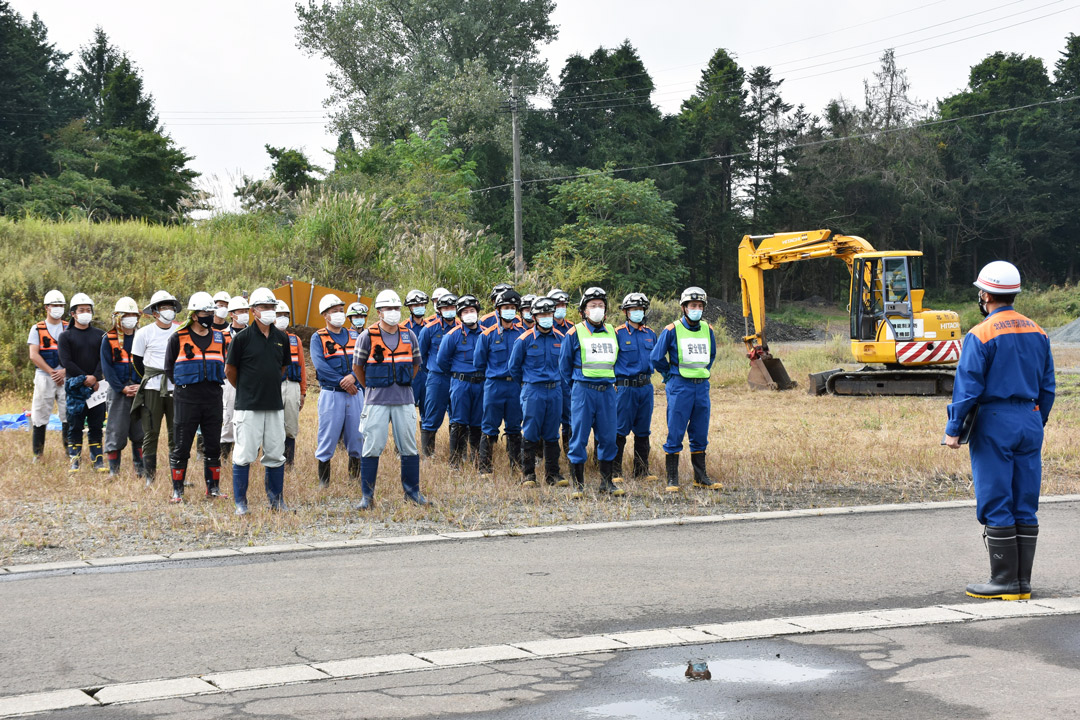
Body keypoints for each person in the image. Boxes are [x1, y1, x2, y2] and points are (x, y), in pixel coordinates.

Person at [944, 261, 1055, 601]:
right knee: (1025, 499)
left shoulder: (981, 334)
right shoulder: (1039, 331)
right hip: (1030, 419)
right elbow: (1048, 386)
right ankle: (1021, 583)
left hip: (994, 420)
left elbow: (968, 388)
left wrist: (954, 429)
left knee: (996, 498)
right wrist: (1037, 420)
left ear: (985, 295)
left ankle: (1004, 581)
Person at [352, 289, 427, 507]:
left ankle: (412, 492)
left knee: (409, 446)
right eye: (388, 308)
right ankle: (367, 497)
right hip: (376, 400)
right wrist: (371, 387)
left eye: (396, 308)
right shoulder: (367, 336)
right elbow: (357, 368)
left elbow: (415, 365)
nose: (393, 312)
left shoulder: (409, 335)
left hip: (404, 399)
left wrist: (401, 384)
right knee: (372, 446)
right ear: (379, 312)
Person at [225, 287, 291, 514]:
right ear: (254, 311)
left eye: (273, 307)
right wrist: (247, 389)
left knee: (275, 454)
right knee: (244, 455)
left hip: (274, 405)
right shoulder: (241, 339)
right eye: (264, 307)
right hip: (248, 406)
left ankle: (276, 501)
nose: (270, 311)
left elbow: (282, 367)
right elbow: (230, 370)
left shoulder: (282, 338)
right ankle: (241, 504)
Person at [650, 287, 721, 492]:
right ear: (684, 308)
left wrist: (702, 371)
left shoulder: (708, 329)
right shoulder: (671, 330)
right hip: (680, 385)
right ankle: (672, 479)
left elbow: (711, 355)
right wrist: (669, 374)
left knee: (700, 431)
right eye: (692, 306)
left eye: (700, 306)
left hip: (701, 387)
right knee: (676, 430)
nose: (696, 309)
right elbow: (656, 357)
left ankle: (701, 478)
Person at [558, 287, 624, 498]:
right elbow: (564, 367)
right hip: (583, 391)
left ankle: (607, 482)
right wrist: (577, 386)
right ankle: (578, 484)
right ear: (583, 310)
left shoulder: (613, 331)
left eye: (601, 306)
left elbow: (617, 360)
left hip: (607, 392)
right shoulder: (574, 333)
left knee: (608, 437)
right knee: (579, 437)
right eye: (592, 305)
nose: (597, 309)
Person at [164, 292, 227, 502]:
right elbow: (169, 368)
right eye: (205, 312)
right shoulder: (178, 337)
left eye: (211, 312)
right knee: (181, 446)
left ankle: (213, 489)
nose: (209, 315)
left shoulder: (219, 337)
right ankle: (177, 491)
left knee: (213, 446)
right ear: (194, 314)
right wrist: (183, 386)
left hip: (213, 398)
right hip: (186, 399)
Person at [508, 296, 565, 487]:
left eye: (549, 313)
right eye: (542, 314)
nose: (546, 317)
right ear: (534, 316)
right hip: (533, 391)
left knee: (552, 433)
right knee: (531, 432)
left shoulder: (561, 339)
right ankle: (529, 474)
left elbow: (565, 366)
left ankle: (553, 474)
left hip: (555, 391)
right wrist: (528, 384)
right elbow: (514, 367)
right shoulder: (523, 340)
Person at [310, 293, 363, 488]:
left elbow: (363, 361)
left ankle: (354, 478)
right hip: (331, 393)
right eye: (334, 311)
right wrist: (342, 380)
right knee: (328, 436)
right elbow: (320, 365)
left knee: (357, 435)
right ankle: (324, 481)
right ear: (325, 315)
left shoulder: (356, 336)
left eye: (341, 311)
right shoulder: (318, 337)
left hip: (356, 393)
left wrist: (354, 377)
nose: (339, 314)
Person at [474, 289, 526, 477]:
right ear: (498, 309)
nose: (509, 311)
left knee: (514, 427)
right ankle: (485, 468)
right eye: (505, 307)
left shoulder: (523, 334)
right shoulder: (486, 335)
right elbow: (479, 363)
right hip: (494, 385)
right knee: (489, 426)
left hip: (515, 386)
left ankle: (517, 467)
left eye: (513, 308)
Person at [131, 290, 181, 484]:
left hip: (175, 387)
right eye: (163, 307)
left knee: (176, 431)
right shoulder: (144, 333)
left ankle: (177, 474)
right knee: (151, 431)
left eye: (170, 307)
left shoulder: (179, 331)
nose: (168, 311)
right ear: (154, 312)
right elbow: (136, 361)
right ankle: (149, 476)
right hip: (152, 387)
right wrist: (148, 379)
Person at [58, 293, 107, 472]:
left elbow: (104, 359)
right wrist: (85, 378)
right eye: (81, 310)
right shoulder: (66, 336)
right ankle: (74, 461)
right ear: (73, 313)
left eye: (88, 310)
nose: (86, 313)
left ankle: (98, 460)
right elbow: (66, 362)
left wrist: (95, 376)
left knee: (96, 423)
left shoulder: (101, 335)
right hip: (75, 388)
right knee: (75, 424)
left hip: (97, 387)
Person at [613, 293, 658, 483]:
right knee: (619, 429)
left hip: (646, 387)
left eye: (640, 309)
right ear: (625, 312)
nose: (637, 313)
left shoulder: (650, 334)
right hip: (625, 388)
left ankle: (641, 471)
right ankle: (615, 472)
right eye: (633, 309)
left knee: (643, 430)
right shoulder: (616, 334)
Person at [437, 294, 485, 467]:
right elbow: (442, 361)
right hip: (461, 384)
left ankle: (477, 459)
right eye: (465, 311)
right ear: (460, 315)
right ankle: (455, 461)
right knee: (459, 422)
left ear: (477, 312)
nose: (469, 314)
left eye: (472, 310)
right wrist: (458, 375)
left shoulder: (486, 334)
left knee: (478, 423)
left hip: (481, 384)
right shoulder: (452, 335)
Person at [99, 297, 145, 476]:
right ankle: (114, 471)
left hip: (139, 390)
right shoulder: (108, 339)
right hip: (118, 391)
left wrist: (140, 386)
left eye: (134, 315)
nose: (131, 319)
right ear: (118, 317)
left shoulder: (142, 336)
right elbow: (107, 369)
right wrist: (122, 388)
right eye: (127, 315)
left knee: (140, 431)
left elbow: (147, 363)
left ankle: (140, 469)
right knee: (115, 431)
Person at [28, 290, 69, 461]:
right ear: (47, 307)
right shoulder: (37, 328)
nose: (58, 308)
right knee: (40, 415)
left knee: (68, 414)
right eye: (55, 305)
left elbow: (77, 354)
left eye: (61, 305)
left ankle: (70, 453)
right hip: (44, 376)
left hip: (66, 375)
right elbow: (33, 354)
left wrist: (63, 371)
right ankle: (38, 454)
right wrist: (51, 371)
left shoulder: (69, 327)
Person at [418, 293, 459, 456]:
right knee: (432, 415)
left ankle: (456, 455)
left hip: (457, 378)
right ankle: (428, 455)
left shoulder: (461, 328)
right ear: (439, 310)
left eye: (452, 307)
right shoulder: (429, 329)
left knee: (458, 416)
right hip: (437, 378)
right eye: (446, 308)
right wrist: (433, 370)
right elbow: (421, 355)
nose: (449, 311)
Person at [275, 300, 307, 468]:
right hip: (273, 387)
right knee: (272, 425)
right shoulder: (266, 338)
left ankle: (289, 463)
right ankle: (272, 460)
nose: (283, 318)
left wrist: (303, 392)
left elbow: (301, 367)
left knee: (291, 425)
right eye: (279, 315)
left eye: (286, 316)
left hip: (293, 386)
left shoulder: (295, 340)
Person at [218, 294, 250, 460]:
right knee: (228, 416)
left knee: (249, 416)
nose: (245, 314)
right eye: (241, 311)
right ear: (232, 314)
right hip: (228, 381)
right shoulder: (221, 335)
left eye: (247, 310)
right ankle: (224, 456)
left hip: (250, 380)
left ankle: (246, 452)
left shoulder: (253, 334)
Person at [548, 288, 574, 456]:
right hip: (548, 382)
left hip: (568, 383)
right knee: (548, 421)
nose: (561, 307)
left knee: (569, 419)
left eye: (564, 304)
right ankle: (546, 455)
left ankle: (569, 454)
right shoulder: (544, 328)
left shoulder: (573, 328)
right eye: (558, 304)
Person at [403, 290, 430, 415]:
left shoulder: (431, 327)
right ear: (409, 307)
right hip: (410, 374)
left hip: (427, 374)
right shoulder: (402, 328)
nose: (419, 308)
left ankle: (425, 433)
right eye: (416, 305)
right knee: (407, 409)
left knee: (428, 408)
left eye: (422, 305)